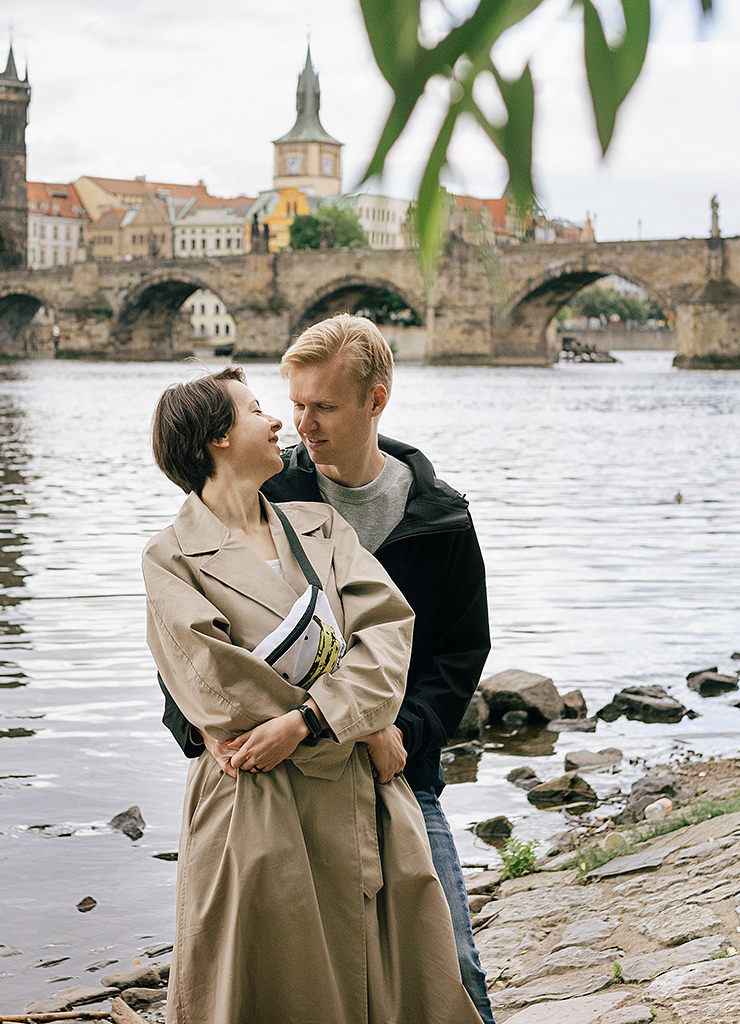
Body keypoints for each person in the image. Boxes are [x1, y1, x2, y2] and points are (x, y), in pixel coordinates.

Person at [159, 315, 496, 1021]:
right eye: (294, 403)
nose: (300, 424)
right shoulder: (261, 493)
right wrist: (222, 736)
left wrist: (391, 732)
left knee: (450, 971)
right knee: (293, 985)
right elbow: (189, 670)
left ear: (375, 402)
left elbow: (453, 653)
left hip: (396, 769)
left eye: (323, 407)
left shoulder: (441, 518)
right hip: (275, 783)